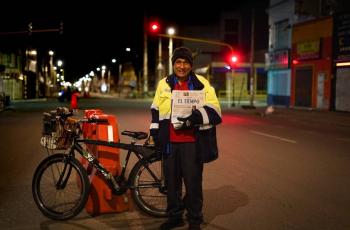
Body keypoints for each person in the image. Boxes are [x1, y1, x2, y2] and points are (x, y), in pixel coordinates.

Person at [149, 47, 222, 230]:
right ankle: (175, 217)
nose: (182, 66)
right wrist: (155, 133)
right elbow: (156, 110)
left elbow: (216, 111)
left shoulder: (202, 83)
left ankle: (195, 220)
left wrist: (197, 117)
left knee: (193, 184)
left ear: (191, 65)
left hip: (192, 143)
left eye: (186, 62)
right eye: (178, 62)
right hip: (170, 143)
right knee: (172, 184)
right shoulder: (163, 84)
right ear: (173, 64)